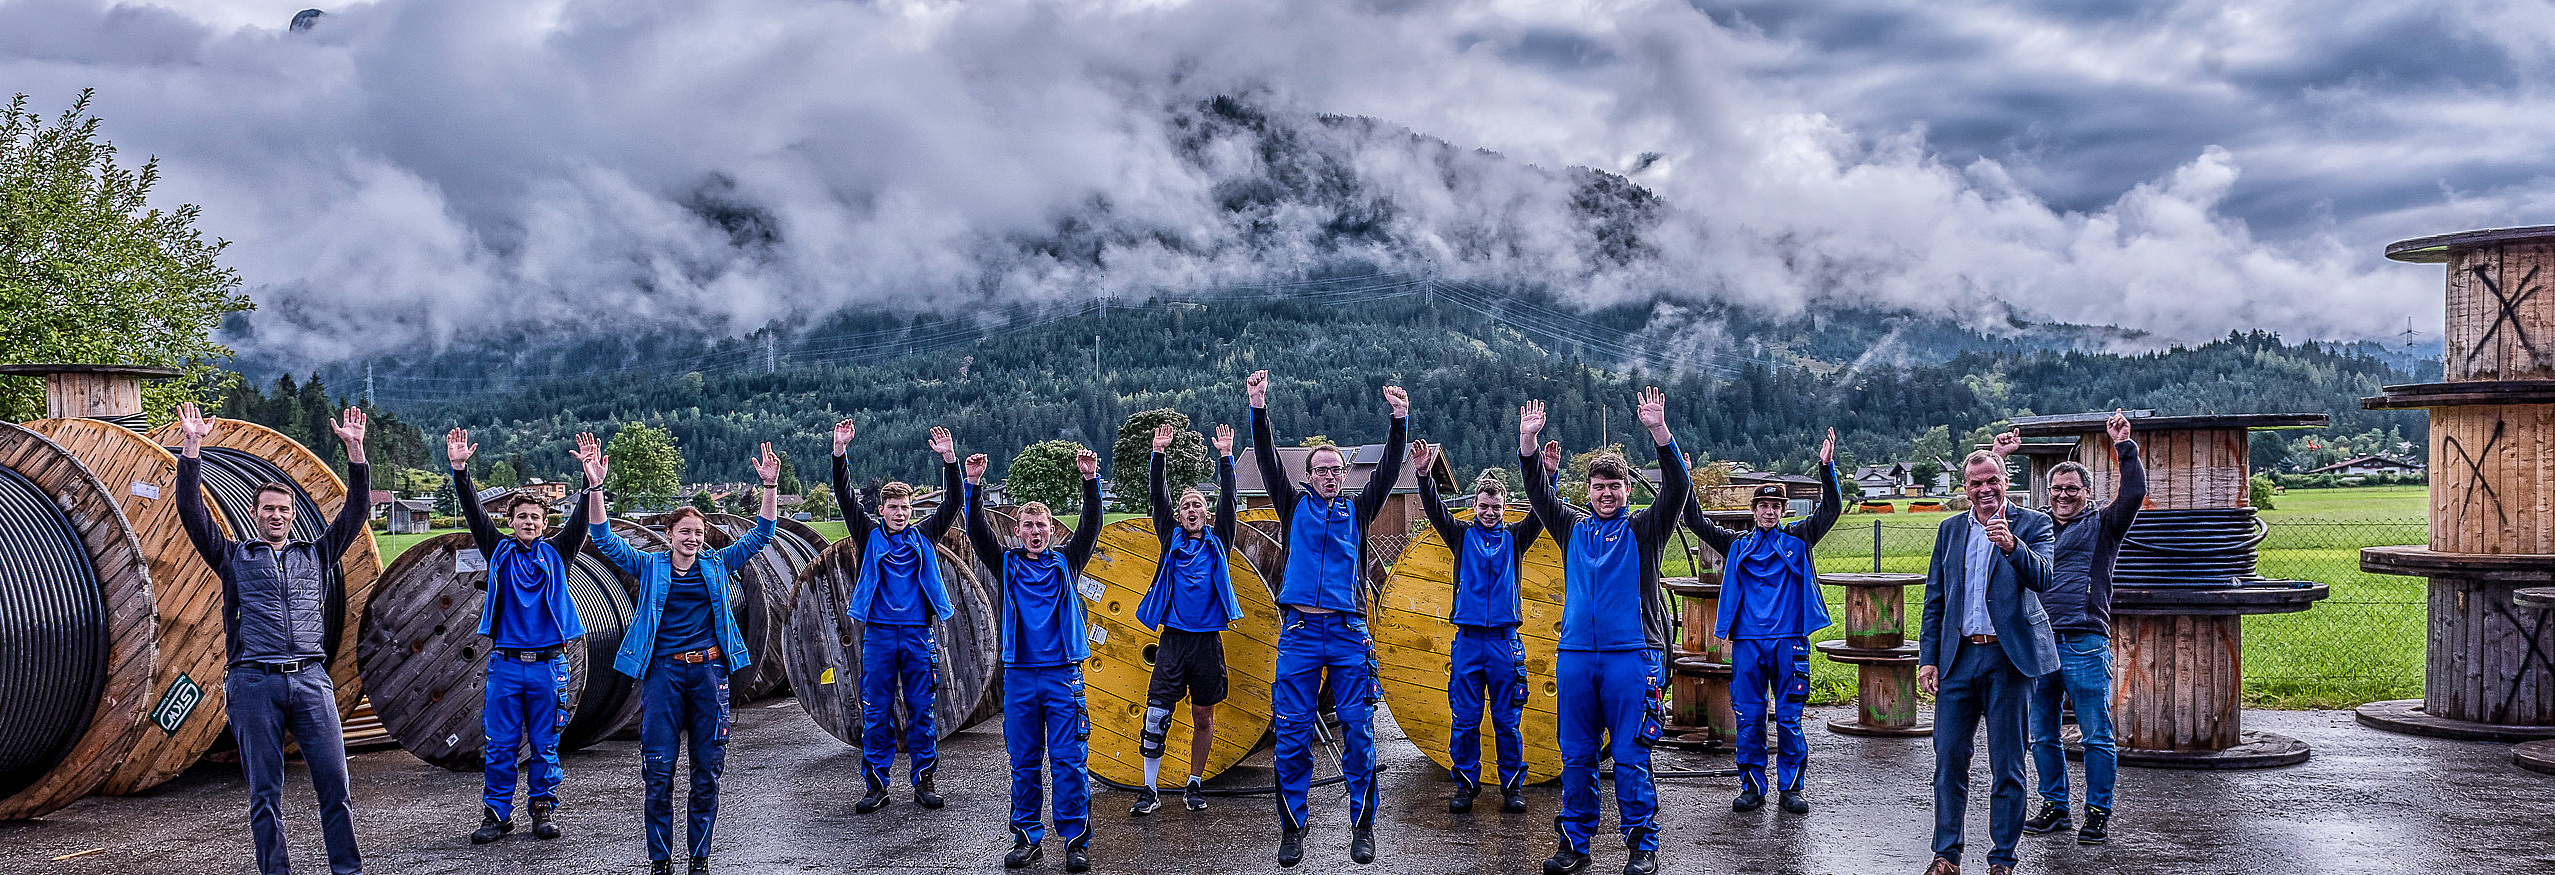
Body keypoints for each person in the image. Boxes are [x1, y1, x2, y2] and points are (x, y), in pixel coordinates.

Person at [172, 402, 371, 875]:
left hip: (309, 680)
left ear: (293, 513)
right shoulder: (232, 556)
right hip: (253, 682)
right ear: (256, 514)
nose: (277, 516)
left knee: (335, 787)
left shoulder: (317, 554)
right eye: (268, 509)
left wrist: (355, 450)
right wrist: (192, 446)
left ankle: (347, 870)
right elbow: (190, 510)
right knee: (265, 793)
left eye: (284, 509)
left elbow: (357, 509)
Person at [589, 442, 783, 875]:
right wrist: (595, 486)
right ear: (669, 534)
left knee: (707, 768)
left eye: (697, 532)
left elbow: (763, 534)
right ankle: (660, 861)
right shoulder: (650, 566)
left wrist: (769, 484)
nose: (692, 538)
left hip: (710, 672)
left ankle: (699, 858)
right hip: (664, 673)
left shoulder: (717, 564)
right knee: (657, 770)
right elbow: (602, 538)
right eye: (684, 531)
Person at [1518, 391, 1690, 875]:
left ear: (1627, 491)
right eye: (1598, 487)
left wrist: (1659, 431)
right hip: (1575, 656)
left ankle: (1642, 846)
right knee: (1575, 755)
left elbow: (1677, 487)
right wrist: (1528, 441)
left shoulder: (1645, 529)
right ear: (1588, 490)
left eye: (1614, 486)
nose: (1606, 494)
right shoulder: (1571, 527)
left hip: (1632, 657)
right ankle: (1575, 844)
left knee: (1632, 757)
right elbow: (1537, 492)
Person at [1248, 369, 1406, 867]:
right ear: (1308, 475)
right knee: (1292, 734)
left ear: (1344, 474)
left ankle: (1363, 827)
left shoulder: (1357, 511)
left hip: (1346, 632)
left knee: (1359, 732)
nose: (1330, 475)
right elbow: (1269, 459)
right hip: (1298, 631)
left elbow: (1387, 469)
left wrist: (1398, 420)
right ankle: (1293, 828)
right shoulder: (1292, 505)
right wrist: (1258, 405)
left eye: (1337, 469)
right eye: (1322, 469)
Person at [448, 428, 603, 844]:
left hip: (549, 664)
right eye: (521, 517)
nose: (529, 522)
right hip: (506, 664)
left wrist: (592, 483)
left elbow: (580, 522)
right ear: (511, 522)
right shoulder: (497, 550)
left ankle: (542, 809)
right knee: (499, 745)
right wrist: (460, 470)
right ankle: (496, 814)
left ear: (544, 522)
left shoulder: (559, 551)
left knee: (544, 744)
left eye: (535, 517)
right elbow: (474, 513)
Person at [1680, 430, 1843, 816]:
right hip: (1748, 643)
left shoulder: (1799, 539)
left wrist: (1826, 468)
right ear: (1753, 510)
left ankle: (1791, 788)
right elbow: (1695, 521)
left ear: (1784, 510)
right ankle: (1752, 786)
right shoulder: (1737, 544)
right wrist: (1685, 481)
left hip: (1789, 641)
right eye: (1764, 506)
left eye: (1776, 506)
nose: (1770, 511)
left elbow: (1831, 509)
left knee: (1789, 719)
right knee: (1749, 719)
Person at [1997, 411, 2141, 846]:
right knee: (2042, 733)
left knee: (2096, 732)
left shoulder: (2104, 525)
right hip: (2038, 644)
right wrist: (2001, 455)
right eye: (2056, 489)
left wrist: (2123, 445)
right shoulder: (2035, 525)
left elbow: (2134, 492)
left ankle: (2097, 812)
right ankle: (2055, 806)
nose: (2062, 496)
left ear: (2087, 493)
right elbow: (1995, 504)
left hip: (2084, 642)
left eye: (2071, 490)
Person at [962, 445, 1106, 872]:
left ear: (1050, 531)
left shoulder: (1067, 561)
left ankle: (1075, 840)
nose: (1036, 532)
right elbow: (976, 530)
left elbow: (1091, 526)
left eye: (1042, 525)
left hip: (1063, 674)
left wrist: (1089, 479)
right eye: (1028, 526)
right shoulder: (1005, 563)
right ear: (1019, 532)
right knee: (1024, 762)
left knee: (1068, 761)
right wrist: (973, 484)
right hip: (1021, 675)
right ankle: (1027, 838)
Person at [1917, 449, 2060, 875]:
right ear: (1965, 488)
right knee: (1949, 761)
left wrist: (2013, 546)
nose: (1984, 489)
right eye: (1975, 483)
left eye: (1991, 480)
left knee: (2009, 764)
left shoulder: (2034, 524)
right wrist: (1928, 659)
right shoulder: (1950, 530)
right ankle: (1946, 856)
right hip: (1958, 658)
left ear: (2005, 481)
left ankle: (2002, 860)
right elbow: (1935, 599)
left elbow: (2044, 578)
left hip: (2008, 657)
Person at [1409, 438, 1556, 815]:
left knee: (1507, 721)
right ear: (1474, 507)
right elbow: (1436, 510)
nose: (1490, 512)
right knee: (1465, 720)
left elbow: (1542, 511)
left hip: (1505, 643)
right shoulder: (1461, 536)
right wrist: (1424, 474)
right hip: (1468, 641)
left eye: (1496, 507)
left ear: (1505, 509)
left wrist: (1549, 475)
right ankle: (1466, 786)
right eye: (1483, 506)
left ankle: (1511, 788)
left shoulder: (1515, 538)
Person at [831, 420, 967, 814]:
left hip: (917, 635)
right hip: (878, 635)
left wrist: (949, 459)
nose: (900, 513)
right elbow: (844, 496)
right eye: (893, 507)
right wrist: (840, 452)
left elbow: (953, 503)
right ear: (881, 510)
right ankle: (876, 785)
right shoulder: (868, 534)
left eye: (906, 507)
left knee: (922, 709)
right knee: (876, 709)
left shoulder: (924, 535)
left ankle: (924, 781)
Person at [1130, 422, 1244, 816]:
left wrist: (1227, 456)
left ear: (1206, 514)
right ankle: (1150, 789)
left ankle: (1194, 784)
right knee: (1156, 716)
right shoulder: (1170, 539)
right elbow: (1157, 496)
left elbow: (1231, 499)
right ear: (1179, 516)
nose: (1191, 510)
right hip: (1174, 640)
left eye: (1198, 504)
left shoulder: (1219, 542)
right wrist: (1158, 452)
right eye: (1185, 506)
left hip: (1208, 641)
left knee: (1202, 715)